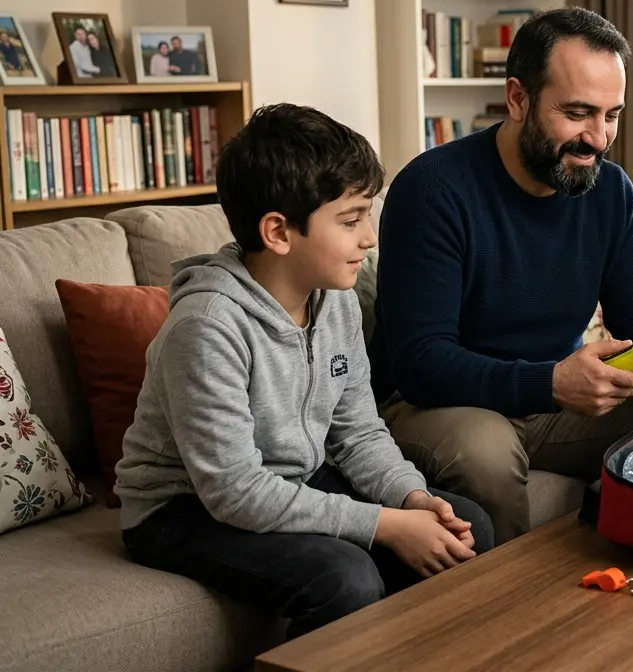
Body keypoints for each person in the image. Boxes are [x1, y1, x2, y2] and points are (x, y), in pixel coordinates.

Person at [114, 104, 495, 640]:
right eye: (351, 219)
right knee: (345, 580)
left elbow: (358, 432)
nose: (370, 237)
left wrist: (413, 498)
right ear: (278, 231)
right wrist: (385, 525)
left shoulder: (332, 298)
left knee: (466, 525)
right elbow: (234, 491)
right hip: (183, 508)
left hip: (293, 476)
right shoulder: (206, 327)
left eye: (368, 214)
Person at [372, 7, 633, 543]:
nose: (599, 139)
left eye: (611, 115)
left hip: (556, 401)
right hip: (443, 403)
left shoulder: (610, 191)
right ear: (518, 98)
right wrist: (552, 382)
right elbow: (420, 363)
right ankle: (516, 615)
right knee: (485, 454)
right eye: (579, 113)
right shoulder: (432, 190)